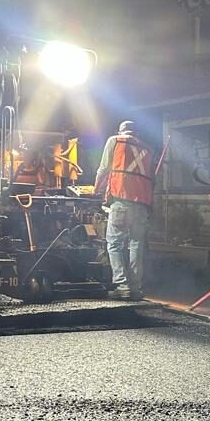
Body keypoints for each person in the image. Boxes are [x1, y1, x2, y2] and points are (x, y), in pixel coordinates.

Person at [95, 120, 155, 300]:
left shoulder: (115, 141)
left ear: (121, 131)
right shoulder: (148, 149)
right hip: (142, 203)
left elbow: (104, 168)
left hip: (121, 200)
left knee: (114, 243)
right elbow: (152, 178)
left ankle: (122, 285)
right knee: (136, 244)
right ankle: (136, 288)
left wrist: (95, 189)